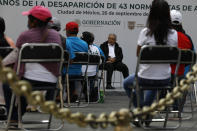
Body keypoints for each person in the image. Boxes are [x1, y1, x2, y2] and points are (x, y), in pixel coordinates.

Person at [2, 6, 62, 125]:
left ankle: (14, 118)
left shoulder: (26, 35)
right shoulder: (56, 36)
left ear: (34, 21)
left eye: (29, 19)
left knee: (8, 85)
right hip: (51, 81)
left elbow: (15, 56)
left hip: (30, 80)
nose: (27, 22)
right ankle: (16, 115)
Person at [123, 0, 178, 109]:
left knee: (126, 83)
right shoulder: (174, 34)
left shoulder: (145, 32)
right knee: (154, 85)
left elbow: (139, 54)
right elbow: (173, 58)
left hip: (144, 77)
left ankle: (140, 109)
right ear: (168, 14)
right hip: (165, 79)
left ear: (151, 13)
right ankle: (145, 111)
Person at [63, 21, 88, 102]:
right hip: (78, 73)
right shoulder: (84, 44)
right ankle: (72, 93)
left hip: (65, 72)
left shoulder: (65, 42)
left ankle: (59, 95)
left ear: (67, 31)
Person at [81, 31, 105, 102]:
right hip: (93, 73)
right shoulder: (97, 48)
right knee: (91, 77)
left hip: (81, 73)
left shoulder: (80, 47)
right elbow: (103, 58)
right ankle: (90, 93)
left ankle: (85, 93)